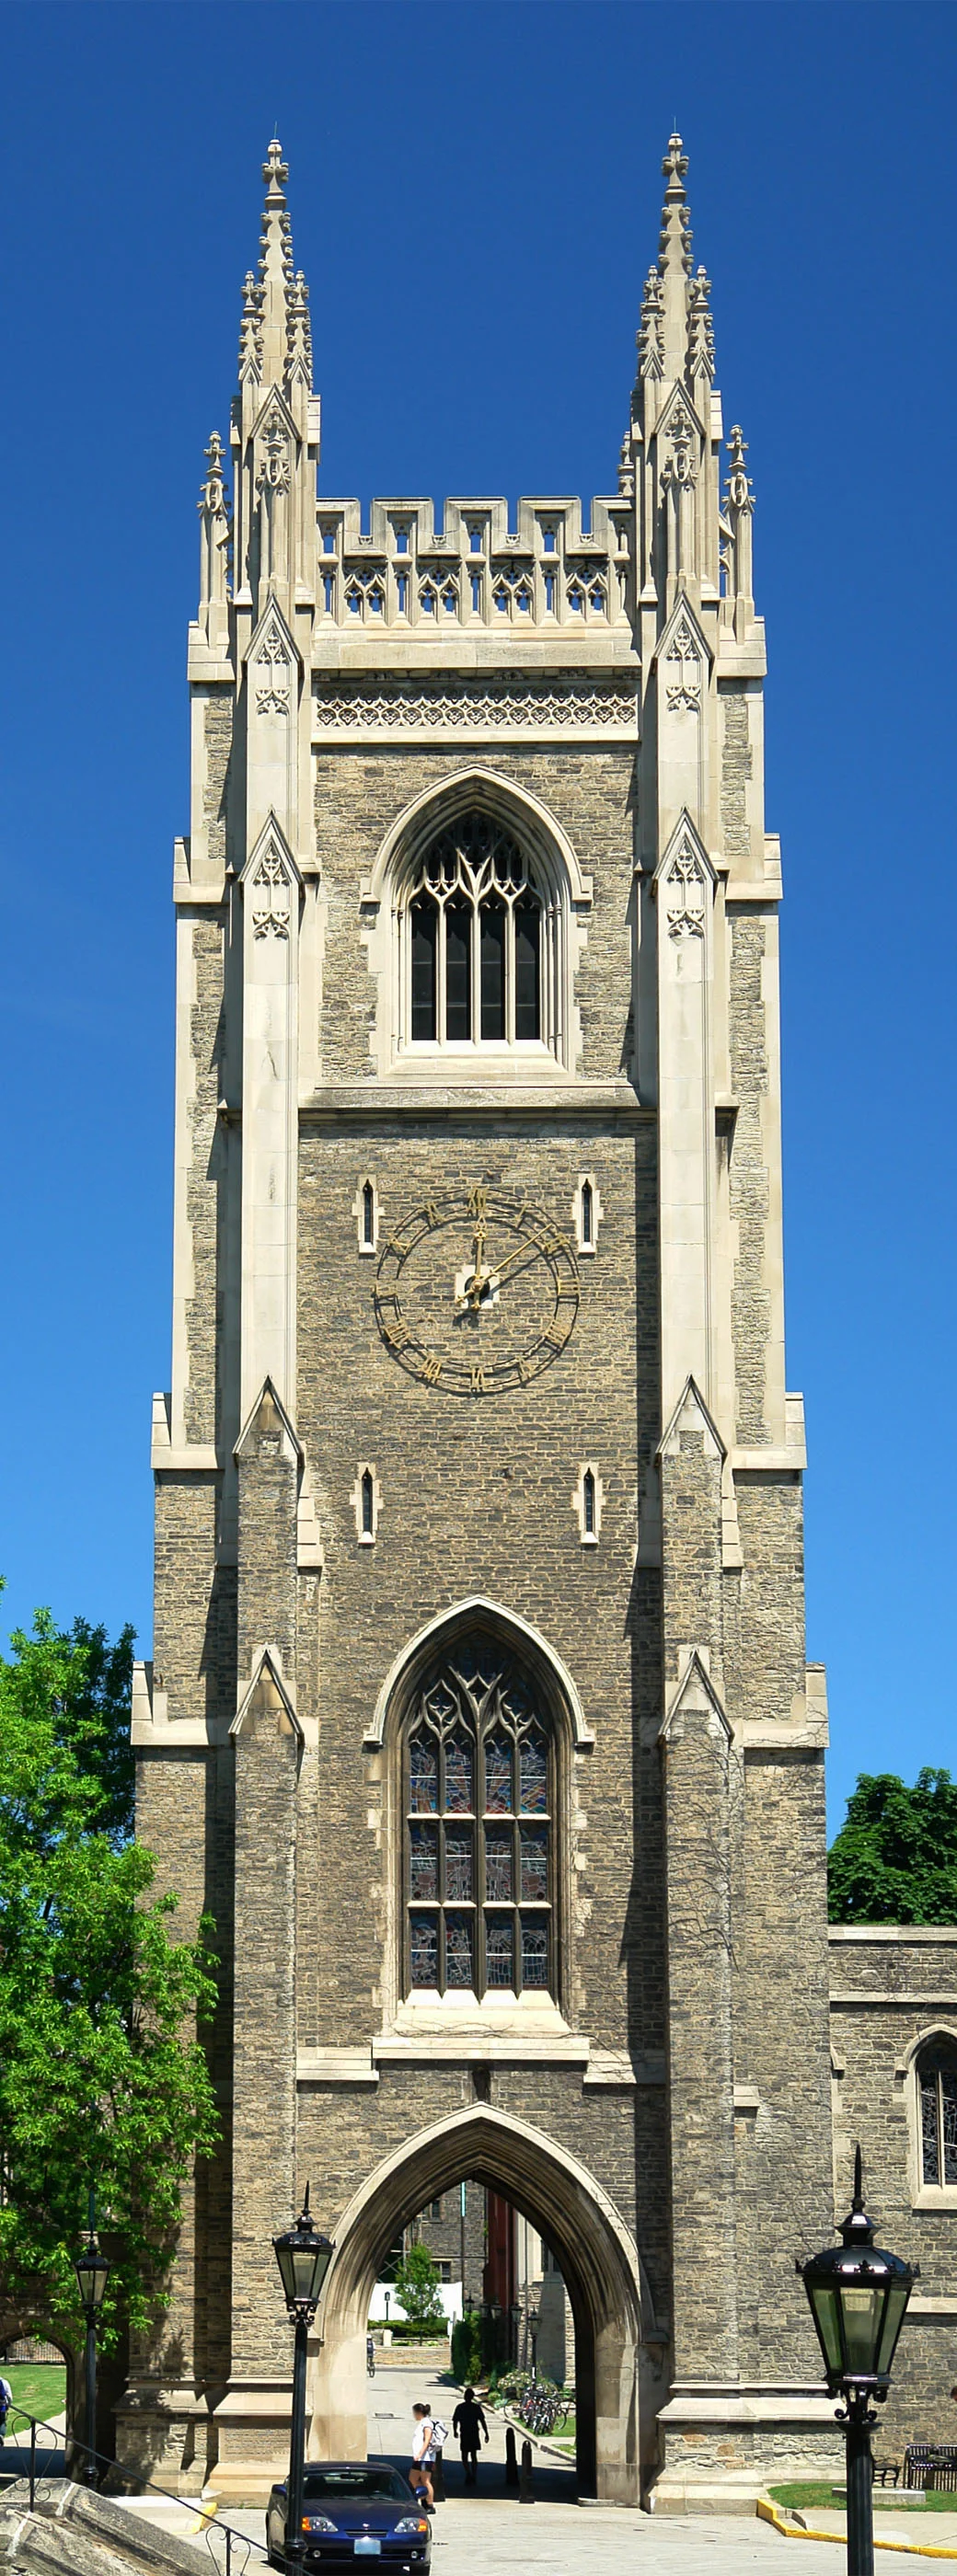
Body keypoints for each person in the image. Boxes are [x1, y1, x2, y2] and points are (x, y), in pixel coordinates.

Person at [452, 2386, 489, 2487]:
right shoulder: (476, 2408)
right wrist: (486, 2433)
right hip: (473, 2432)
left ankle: (468, 2472)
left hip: (465, 2432)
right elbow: (482, 2421)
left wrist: (455, 2431)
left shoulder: (460, 2407)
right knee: (473, 2455)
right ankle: (473, 2474)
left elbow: (455, 2420)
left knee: (464, 2455)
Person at [409, 2401, 436, 2510]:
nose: (414, 2415)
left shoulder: (427, 2423)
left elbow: (427, 2439)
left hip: (425, 2458)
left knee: (426, 2481)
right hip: (419, 2458)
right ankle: (423, 2498)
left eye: (415, 2412)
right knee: (413, 2478)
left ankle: (430, 2504)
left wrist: (420, 2453)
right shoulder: (422, 2423)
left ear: (419, 2412)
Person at [0, 2375, 12, 2440]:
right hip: (2, 2407)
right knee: (2, 2421)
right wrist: (8, 2405)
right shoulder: (4, 2382)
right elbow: (9, 2396)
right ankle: (1, 2435)